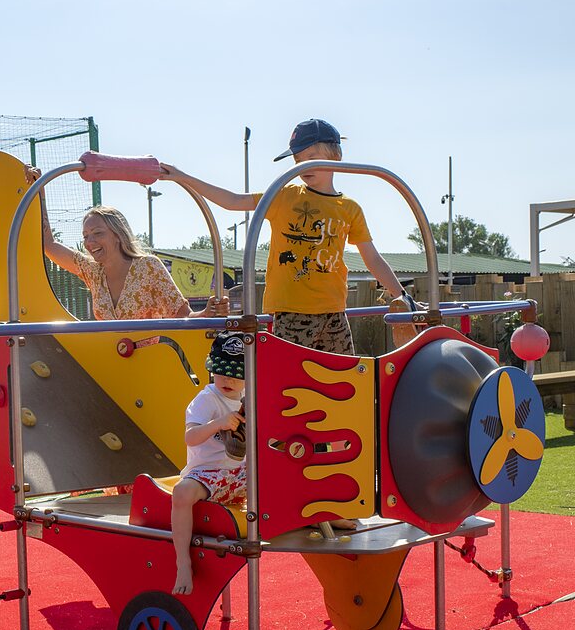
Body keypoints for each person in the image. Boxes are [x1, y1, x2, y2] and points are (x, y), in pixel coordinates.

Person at [161, 119, 407, 354]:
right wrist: (183, 176)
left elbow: (372, 258)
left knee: (341, 375)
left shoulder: (349, 208)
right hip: (291, 311)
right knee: (291, 378)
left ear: (336, 157)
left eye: (311, 158)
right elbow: (233, 201)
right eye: (298, 160)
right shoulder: (285, 195)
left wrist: (401, 295)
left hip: (334, 312)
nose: (303, 166)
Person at [36, 194, 227, 320]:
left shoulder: (148, 267)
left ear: (118, 235)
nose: (89, 242)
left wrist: (205, 313)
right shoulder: (92, 271)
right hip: (108, 362)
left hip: (145, 363)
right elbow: (49, 245)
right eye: (86, 236)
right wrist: (39, 194)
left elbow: (183, 315)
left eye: (97, 233)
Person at [171, 333, 247, 596]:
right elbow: (190, 437)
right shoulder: (206, 399)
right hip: (208, 475)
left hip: (242, 475)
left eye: (237, 374)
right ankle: (182, 561)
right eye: (222, 371)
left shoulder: (250, 397)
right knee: (181, 493)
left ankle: (319, 519)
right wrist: (219, 423)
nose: (228, 380)